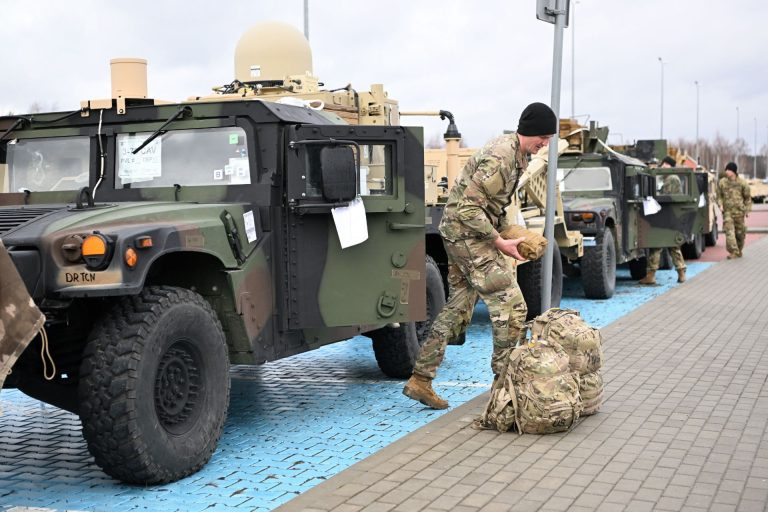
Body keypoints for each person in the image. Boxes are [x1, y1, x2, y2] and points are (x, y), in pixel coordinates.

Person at [402, 102, 558, 410]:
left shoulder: (518, 156)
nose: (546, 143)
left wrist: (512, 232)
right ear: (529, 131)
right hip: (465, 234)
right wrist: (501, 242)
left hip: (467, 231)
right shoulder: (501, 157)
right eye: (544, 136)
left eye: (549, 138)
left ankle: (420, 380)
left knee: (458, 308)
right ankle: (504, 389)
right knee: (512, 307)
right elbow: (468, 209)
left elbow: (491, 206)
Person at [639, 155, 687, 285]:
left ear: (669, 165)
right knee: (671, 245)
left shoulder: (671, 178)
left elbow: (666, 196)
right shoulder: (671, 177)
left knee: (658, 245)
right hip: (670, 217)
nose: (662, 166)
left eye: (664, 164)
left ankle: (651, 275)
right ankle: (680, 272)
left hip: (667, 216)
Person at [717, 161, 751, 258]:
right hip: (727, 212)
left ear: (734, 171)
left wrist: (747, 210)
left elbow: (747, 198)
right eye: (726, 169)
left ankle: (739, 250)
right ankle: (733, 252)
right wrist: (720, 205)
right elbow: (719, 196)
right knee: (729, 232)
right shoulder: (722, 182)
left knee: (740, 234)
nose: (726, 171)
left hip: (739, 213)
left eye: (729, 170)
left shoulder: (742, 183)